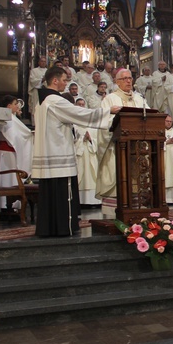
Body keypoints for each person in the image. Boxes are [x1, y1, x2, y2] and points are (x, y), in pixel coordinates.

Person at [32, 66, 120, 236]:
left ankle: (49, 228)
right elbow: (80, 114)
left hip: (47, 154)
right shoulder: (55, 100)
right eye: (64, 80)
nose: (66, 83)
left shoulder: (40, 102)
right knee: (63, 194)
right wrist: (108, 111)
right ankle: (63, 228)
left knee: (50, 195)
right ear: (55, 80)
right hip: (59, 155)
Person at [96, 69, 149, 208]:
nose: (128, 81)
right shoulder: (110, 99)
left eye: (130, 78)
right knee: (116, 176)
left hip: (136, 147)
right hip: (116, 148)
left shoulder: (139, 99)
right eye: (124, 78)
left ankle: (135, 210)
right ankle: (114, 212)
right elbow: (104, 122)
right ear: (117, 82)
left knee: (135, 179)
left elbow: (149, 118)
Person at [0, 95, 33, 212]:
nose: (17, 106)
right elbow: (14, 136)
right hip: (6, 153)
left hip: (7, 152)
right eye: (15, 104)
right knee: (6, 177)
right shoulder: (6, 118)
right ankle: (5, 206)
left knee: (11, 177)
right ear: (9, 106)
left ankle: (12, 206)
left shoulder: (12, 118)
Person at [72, 97, 101, 207]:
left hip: (91, 154)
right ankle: (81, 201)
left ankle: (94, 201)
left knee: (92, 177)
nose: (81, 106)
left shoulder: (93, 126)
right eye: (78, 104)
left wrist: (90, 140)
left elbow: (98, 141)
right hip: (80, 155)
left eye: (82, 104)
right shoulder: (74, 124)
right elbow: (72, 141)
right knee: (81, 176)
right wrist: (81, 140)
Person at [28, 56, 48, 124]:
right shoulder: (34, 71)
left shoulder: (48, 71)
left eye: (44, 61)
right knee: (35, 108)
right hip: (36, 92)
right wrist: (42, 80)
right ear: (39, 62)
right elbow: (32, 81)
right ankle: (34, 124)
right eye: (42, 61)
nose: (43, 63)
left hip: (45, 92)